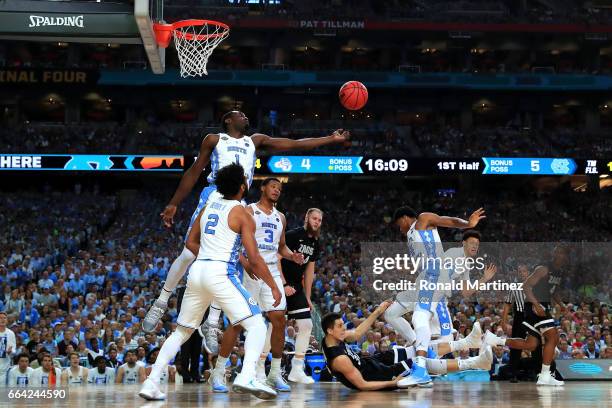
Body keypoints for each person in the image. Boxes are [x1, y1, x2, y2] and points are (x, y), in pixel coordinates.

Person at [143, 110, 349, 343]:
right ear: (228, 120)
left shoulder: (255, 140)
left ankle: (212, 323)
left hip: (238, 202)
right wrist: (174, 203)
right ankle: (161, 301)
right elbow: (193, 171)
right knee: (189, 252)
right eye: (239, 114)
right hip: (214, 196)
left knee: (228, 262)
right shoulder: (214, 139)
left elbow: (293, 144)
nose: (244, 115)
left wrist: (330, 139)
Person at [139, 164, 281, 401]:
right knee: (257, 325)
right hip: (219, 272)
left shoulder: (207, 207)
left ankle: (152, 382)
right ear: (242, 186)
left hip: (197, 271)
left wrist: (210, 252)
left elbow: (190, 244)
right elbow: (254, 258)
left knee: (182, 331)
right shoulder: (242, 213)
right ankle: (247, 376)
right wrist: (273, 285)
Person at [209, 177, 303, 393]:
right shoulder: (248, 210)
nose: (276, 190)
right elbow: (235, 241)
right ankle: (218, 371)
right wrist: (244, 262)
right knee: (238, 323)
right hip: (251, 271)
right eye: (272, 186)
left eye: (279, 188)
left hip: (271, 270)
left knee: (279, 319)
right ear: (262, 188)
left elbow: (281, 248)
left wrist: (292, 256)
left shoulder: (281, 217)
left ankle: (274, 373)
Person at [385, 206, 486, 386]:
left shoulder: (422, 220)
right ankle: (420, 346)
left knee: (419, 318)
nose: (399, 229)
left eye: (398, 224)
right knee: (391, 314)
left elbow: (449, 221)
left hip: (435, 275)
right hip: (423, 278)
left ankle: (421, 369)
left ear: (404, 217)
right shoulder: (411, 236)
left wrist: (468, 224)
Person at [321, 301, 492, 391]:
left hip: (373, 362)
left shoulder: (334, 338)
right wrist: (394, 384)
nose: (344, 329)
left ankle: (467, 343)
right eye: (340, 326)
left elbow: (357, 333)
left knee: (416, 350)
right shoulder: (339, 360)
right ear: (330, 330)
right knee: (422, 362)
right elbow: (362, 385)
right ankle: (476, 363)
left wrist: (378, 312)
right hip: (378, 375)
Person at [485, 247, 567, 386]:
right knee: (553, 337)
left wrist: (561, 304)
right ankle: (542, 375)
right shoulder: (542, 269)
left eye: (564, 253)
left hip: (538, 308)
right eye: (559, 252)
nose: (562, 256)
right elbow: (519, 293)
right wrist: (535, 305)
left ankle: (496, 340)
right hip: (530, 310)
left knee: (532, 344)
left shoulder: (559, 272)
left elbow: (553, 290)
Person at [281, 208, 323, 384]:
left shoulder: (315, 242)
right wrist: (282, 284)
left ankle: (297, 368)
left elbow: (310, 269)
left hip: (297, 285)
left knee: (306, 324)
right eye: (314, 218)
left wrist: (307, 297)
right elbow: (277, 257)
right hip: (280, 281)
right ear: (306, 218)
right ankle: (259, 367)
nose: (317, 222)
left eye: (320, 220)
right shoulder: (292, 235)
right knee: (276, 326)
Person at [0, 311, 16, 385]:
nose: (2, 320)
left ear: (7, 320)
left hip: (5, 368)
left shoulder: (11, 333)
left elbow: (14, 350)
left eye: (4, 318)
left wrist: (11, 352)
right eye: (0, 318)